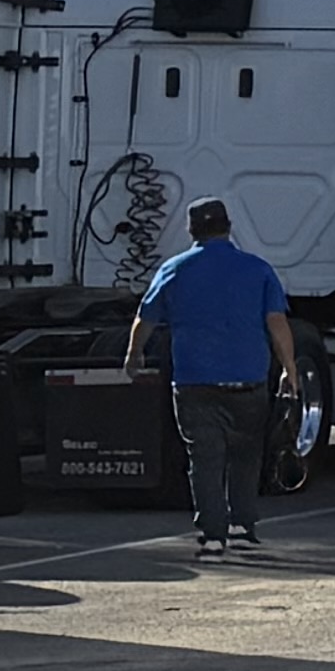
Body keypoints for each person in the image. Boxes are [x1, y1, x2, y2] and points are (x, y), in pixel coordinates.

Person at [133, 199, 302, 557]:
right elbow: (277, 323)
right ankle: (242, 525)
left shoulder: (174, 270)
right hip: (248, 382)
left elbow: (145, 318)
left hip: (195, 382)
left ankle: (212, 534)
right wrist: (289, 368)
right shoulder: (258, 270)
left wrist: (133, 356)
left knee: (204, 458)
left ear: (192, 231)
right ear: (229, 226)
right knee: (246, 453)